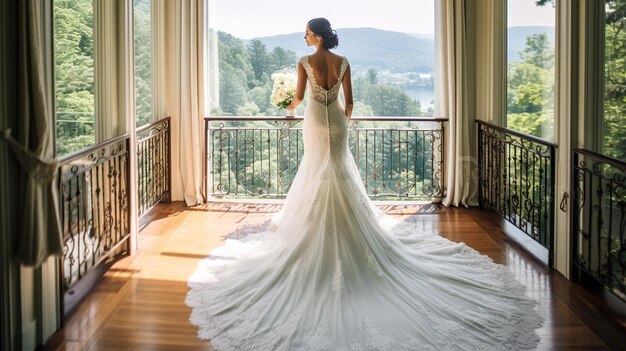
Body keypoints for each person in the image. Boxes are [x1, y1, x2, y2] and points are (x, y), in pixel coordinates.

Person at [186, 18, 543, 350]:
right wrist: (343, 124)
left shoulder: (304, 61)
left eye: (308, 32)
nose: (305, 36)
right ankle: (349, 226)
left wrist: (287, 105)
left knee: (316, 172)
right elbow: (351, 102)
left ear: (318, 36)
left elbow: (297, 98)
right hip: (338, 125)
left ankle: (315, 231)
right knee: (338, 173)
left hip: (314, 122)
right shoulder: (343, 62)